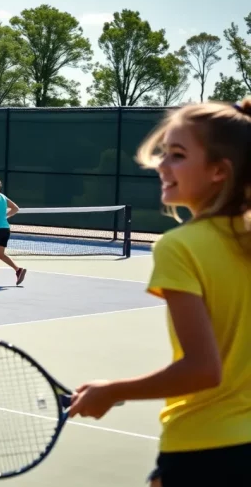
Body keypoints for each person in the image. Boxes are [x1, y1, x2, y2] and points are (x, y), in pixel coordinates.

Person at [68, 98, 251, 486]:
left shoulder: (179, 247)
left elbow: (204, 370)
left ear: (219, 171)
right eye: (164, 153)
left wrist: (112, 390)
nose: (162, 165)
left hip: (203, 451)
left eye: (178, 155)